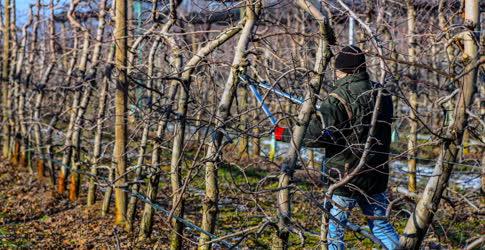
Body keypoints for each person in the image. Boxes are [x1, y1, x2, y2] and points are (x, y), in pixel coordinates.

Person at [274, 45, 399, 249]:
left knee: (335, 231)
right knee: (381, 227)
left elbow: (318, 136)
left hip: (344, 177)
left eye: (337, 69)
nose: (336, 73)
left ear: (343, 70)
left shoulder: (338, 98)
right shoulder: (382, 94)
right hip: (376, 175)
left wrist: (283, 133)